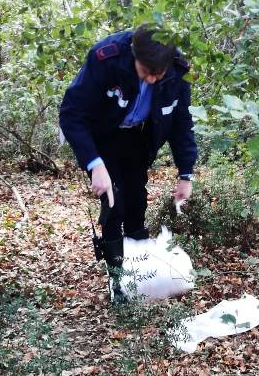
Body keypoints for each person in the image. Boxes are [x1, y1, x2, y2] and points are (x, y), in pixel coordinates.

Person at [59, 24, 197, 295]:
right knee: (114, 201)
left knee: (136, 200)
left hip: (138, 136)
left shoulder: (177, 71)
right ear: (134, 55)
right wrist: (94, 163)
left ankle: (139, 276)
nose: (152, 80)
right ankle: (118, 281)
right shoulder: (106, 58)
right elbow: (71, 113)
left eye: (158, 74)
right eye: (145, 72)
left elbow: (181, 123)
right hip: (102, 135)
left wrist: (186, 173)